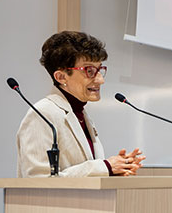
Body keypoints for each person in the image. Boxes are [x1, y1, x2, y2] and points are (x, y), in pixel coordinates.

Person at [16, 31, 145, 177]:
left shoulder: (80, 113)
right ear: (61, 77)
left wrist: (115, 170)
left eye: (100, 69)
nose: (100, 80)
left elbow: (84, 172)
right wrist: (106, 167)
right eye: (89, 70)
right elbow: (37, 179)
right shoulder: (42, 114)